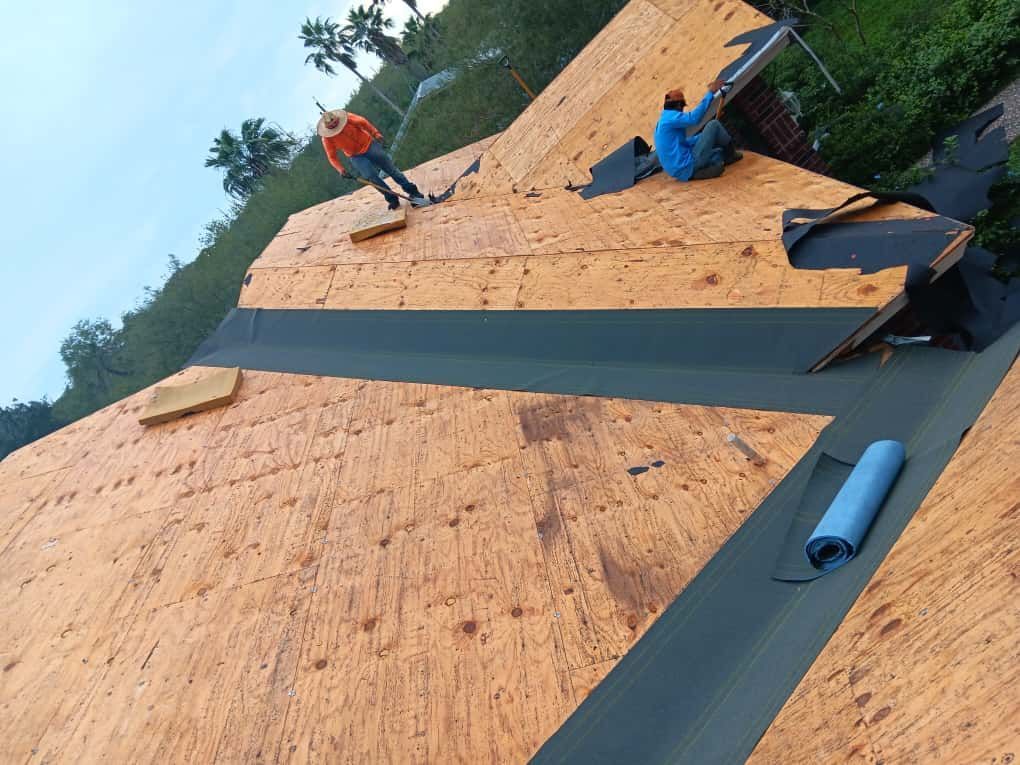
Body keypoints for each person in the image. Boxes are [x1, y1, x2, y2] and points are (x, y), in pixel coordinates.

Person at [317, 108, 425, 209]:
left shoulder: (348, 118)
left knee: (390, 169)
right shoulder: (327, 139)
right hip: (355, 156)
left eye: (336, 123)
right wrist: (340, 170)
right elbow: (332, 157)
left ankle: (414, 193)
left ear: (338, 119)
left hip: (369, 145)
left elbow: (363, 122)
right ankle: (392, 199)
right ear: (327, 128)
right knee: (371, 177)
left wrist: (376, 134)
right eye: (332, 126)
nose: (335, 127)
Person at [653, 80, 743, 182]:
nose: (682, 110)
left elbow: (685, 142)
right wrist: (711, 93)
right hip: (687, 165)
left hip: (679, 171)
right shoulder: (672, 118)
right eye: (682, 107)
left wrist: (705, 136)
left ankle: (698, 172)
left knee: (718, 153)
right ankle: (730, 155)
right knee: (714, 124)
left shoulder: (663, 121)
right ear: (679, 105)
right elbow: (694, 118)